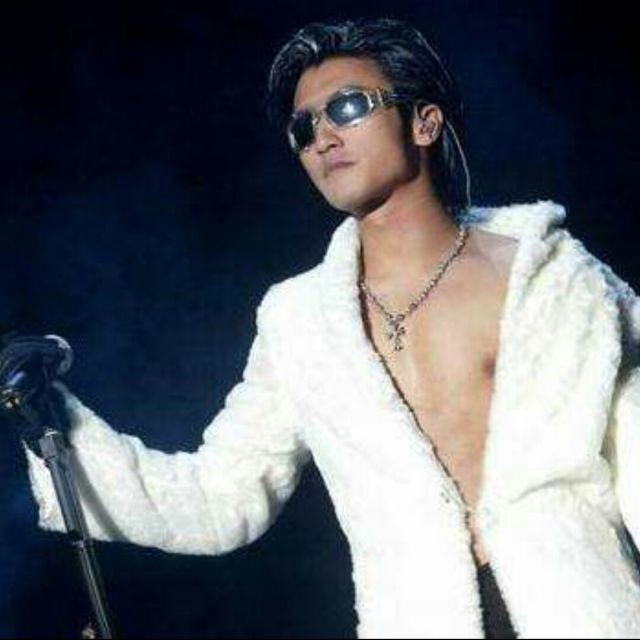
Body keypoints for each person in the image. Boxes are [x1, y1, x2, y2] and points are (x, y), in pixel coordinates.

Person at [19, 17, 640, 639]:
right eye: (303, 127)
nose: (322, 137)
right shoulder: (300, 322)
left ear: (424, 122)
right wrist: (51, 421)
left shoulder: (557, 279)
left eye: (348, 107)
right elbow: (221, 498)